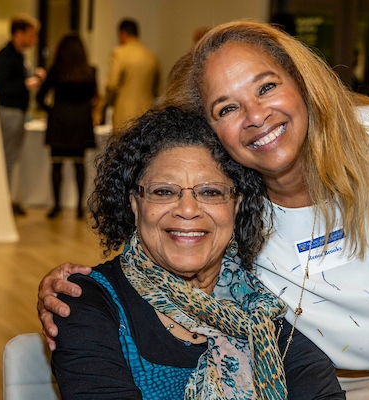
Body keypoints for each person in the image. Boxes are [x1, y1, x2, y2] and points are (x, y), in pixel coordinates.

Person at [38, 20, 369, 400]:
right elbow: (162, 247)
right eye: (227, 108)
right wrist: (68, 289)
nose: (256, 116)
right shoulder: (234, 196)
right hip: (305, 378)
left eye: (267, 86)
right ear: (212, 134)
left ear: (301, 82)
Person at [50, 106, 344, 399]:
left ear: (236, 206)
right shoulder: (86, 302)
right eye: (164, 191)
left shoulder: (266, 308)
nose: (188, 210)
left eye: (210, 192)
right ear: (135, 205)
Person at [36, 34, 97, 219]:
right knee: (79, 165)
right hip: (81, 121)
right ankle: (79, 208)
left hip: (60, 120)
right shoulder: (90, 71)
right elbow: (93, 96)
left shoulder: (56, 70)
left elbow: (40, 97)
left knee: (57, 164)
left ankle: (56, 207)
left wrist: (52, 111)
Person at [0, 13, 46, 216]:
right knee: (7, 159)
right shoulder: (4, 56)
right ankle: (3, 202)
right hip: (9, 112)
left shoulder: (19, 56)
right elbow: (2, 88)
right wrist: (26, 84)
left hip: (18, 112)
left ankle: (7, 199)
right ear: (19, 33)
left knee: (12, 159)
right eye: (31, 35)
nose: (33, 40)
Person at [100, 19, 160, 130]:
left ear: (122, 33)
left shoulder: (119, 52)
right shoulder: (151, 56)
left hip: (124, 113)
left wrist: (107, 102)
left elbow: (112, 84)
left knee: (122, 139)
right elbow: (156, 88)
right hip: (146, 112)